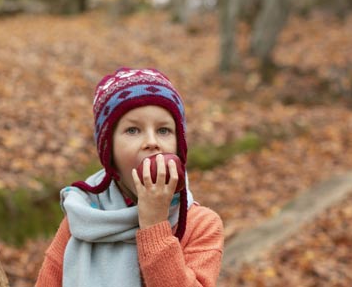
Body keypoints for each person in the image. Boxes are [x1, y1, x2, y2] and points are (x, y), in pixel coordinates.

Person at [35, 68, 224, 287]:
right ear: (109, 151)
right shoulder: (83, 217)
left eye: (164, 130)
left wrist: (154, 226)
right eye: (133, 130)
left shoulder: (200, 225)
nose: (152, 142)